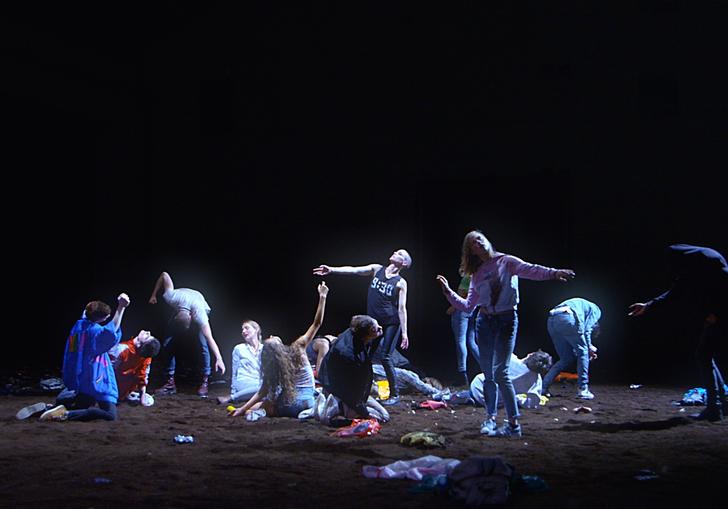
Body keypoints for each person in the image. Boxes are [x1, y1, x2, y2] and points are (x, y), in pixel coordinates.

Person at [436, 230, 575, 438]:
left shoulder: (506, 261)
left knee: (501, 373)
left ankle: (513, 425)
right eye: (474, 243)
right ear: (471, 250)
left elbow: (531, 270)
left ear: (487, 240)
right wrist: (448, 292)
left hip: (506, 320)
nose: (479, 243)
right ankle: (490, 418)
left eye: (480, 239)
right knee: (489, 375)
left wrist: (554, 273)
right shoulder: (477, 273)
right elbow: (467, 306)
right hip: (484, 321)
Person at [629, 244, 728, 422]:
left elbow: (714, 288)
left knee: (704, 355)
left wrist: (716, 313)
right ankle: (720, 404)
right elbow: (679, 291)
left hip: (721, 313)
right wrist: (649, 305)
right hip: (719, 312)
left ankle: (715, 408)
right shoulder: (703, 259)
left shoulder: (701, 264)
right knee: (705, 355)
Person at [313, 248, 412, 406]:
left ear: (404, 263)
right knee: (366, 357)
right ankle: (362, 389)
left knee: (386, 357)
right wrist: (331, 270)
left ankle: (395, 394)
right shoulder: (376, 269)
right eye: (396, 251)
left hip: (391, 323)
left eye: (400, 254)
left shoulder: (400, 282)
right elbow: (354, 270)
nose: (395, 253)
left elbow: (402, 309)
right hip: (373, 322)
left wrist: (405, 333)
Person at [230, 282, 328, 419]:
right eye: (272, 339)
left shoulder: (273, 366)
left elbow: (262, 392)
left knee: (257, 407)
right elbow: (316, 323)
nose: (271, 336)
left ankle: (250, 411)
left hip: (289, 405)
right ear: (278, 347)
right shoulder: (298, 348)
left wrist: (243, 408)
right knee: (257, 406)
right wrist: (322, 297)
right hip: (306, 401)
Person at [40, 293, 130, 422]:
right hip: (94, 376)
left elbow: (89, 312)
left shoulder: (80, 325)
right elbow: (110, 333)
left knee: (83, 402)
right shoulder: (93, 332)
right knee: (110, 415)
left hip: (82, 376)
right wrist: (121, 307)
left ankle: (49, 408)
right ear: (100, 318)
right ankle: (65, 414)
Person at [148, 271, 226, 397]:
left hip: (199, 303)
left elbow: (210, 338)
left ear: (191, 317)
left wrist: (219, 358)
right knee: (167, 342)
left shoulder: (200, 315)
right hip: (182, 301)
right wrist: (153, 295)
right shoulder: (171, 297)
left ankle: (204, 380)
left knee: (203, 344)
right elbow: (164, 274)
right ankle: (170, 383)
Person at [318, 315, 384, 419]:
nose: (380, 328)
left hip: (344, 388)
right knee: (381, 417)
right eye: (375, 328)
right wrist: (364, 412)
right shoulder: (351, 355)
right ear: (367, 333)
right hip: (340, 392)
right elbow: (352, 390)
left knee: (383, 415)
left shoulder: (356, 334)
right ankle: (338, 409)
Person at [541, 298, 601, 400]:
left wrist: (587, 347)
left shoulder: (584, 306)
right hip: (567, 318)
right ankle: (583, 389)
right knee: (583, 353)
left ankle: (542, 388)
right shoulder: (597, 311)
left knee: (566, 359)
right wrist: (589, 348)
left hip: (552, 319)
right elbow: (587, 330)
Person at [470, 350, 553, 409]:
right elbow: (533, 403)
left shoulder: (510, 359)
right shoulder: (536, 381)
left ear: (530, 355)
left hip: (478, 387)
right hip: (496, 402)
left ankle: (466, 397)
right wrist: (518, 399)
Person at [108, 330, 161, 406]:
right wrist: (143, 395)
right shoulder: (145, 356)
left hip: (111, 391)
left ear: (140, 344)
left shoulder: (122, 350)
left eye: (147, 337)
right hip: (122, 392)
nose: (148, 332)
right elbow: (143, 376)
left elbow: (107, 371)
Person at [217, 320, 264, 405]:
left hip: (258, 382)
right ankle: (232, 397)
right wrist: (233, 391)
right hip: (243, 382)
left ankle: (251, 396)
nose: (243, 331)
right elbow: (234, 371)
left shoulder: (264, 349)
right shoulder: (239, 348)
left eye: (246, 328)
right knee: (266, 389)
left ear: (256, 329)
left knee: (274, 388)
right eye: (242, 330)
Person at [447, 270, 481, 387]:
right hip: (473, 310)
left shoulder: (469, 276)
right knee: (471, 342)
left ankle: (462, 375)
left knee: (460, 342)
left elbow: (462, 294)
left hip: (461, 309)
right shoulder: (481, 274)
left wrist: (453, 307)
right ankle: (487, 370)